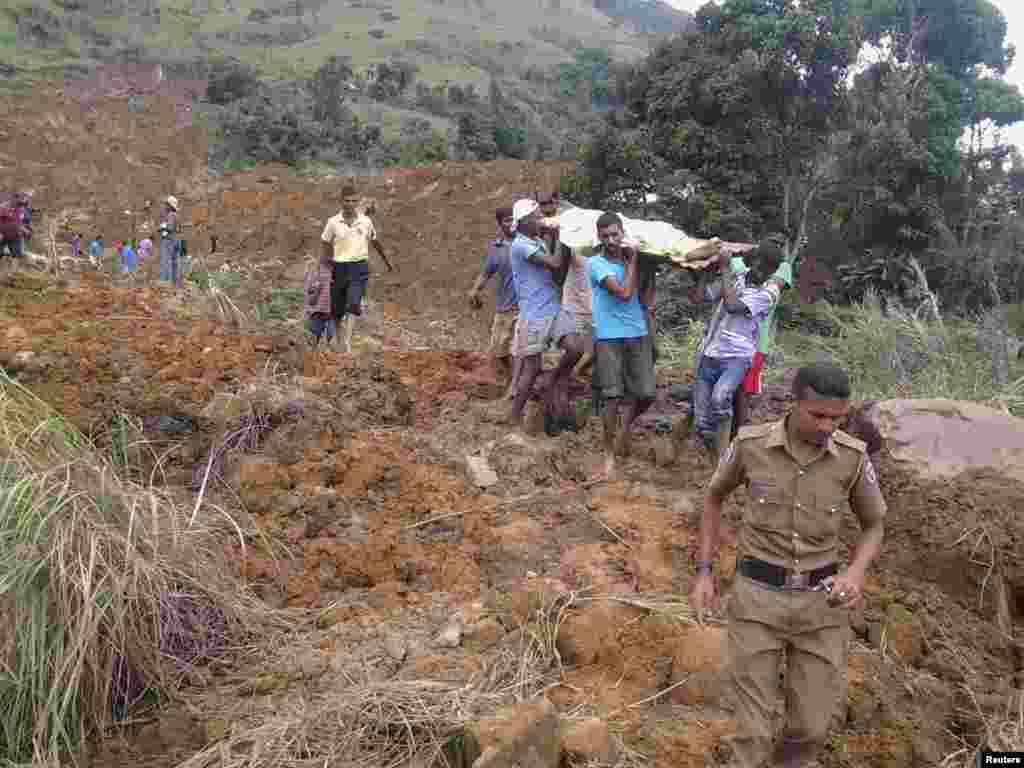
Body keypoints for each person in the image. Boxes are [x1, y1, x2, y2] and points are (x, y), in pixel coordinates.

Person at [690, 362, 886, 768]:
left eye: (837, 417)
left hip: (821, 609)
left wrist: (854, 573)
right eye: (818, 415)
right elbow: (713, 498)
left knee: (810, 730)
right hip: (757, 603)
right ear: (795, 404)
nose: (828, 426)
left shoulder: (852, 458)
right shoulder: (750, 445)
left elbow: (874, 525)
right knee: (753, 735)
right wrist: (705, 573)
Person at [688, 250, 791, 461]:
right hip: (710, 352)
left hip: (737, 357)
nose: (763, 273)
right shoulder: (736, 278)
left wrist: (725, 268)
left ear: (773, 272)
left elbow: (733, 306)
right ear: (752, 261)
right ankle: (719, 453)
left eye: (768, 270)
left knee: (720, 399)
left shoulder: (768, 293)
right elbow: (700, 298)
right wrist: (701, 274)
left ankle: (723, 459)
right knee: (701, 422)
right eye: (760, 266)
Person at [588, 212, 656, 479]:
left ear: (622, 233)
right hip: (609, 336)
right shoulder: (596, 264)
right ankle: (608, 453)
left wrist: (645, 273)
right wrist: (633, 261)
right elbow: (624, 292)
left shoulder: (634, 263)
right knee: (612, 396)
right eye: (605, 236)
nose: (611, 240)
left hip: (637, 332)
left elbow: (644, 296)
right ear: (599, 238)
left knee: (647, 394)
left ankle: (624, 428)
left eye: (615, 234)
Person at [506, 198, 583, 433]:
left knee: (576, 347)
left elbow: (558, 273)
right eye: (537, 217)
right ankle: (515, 416)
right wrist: (562, 234)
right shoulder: (520, 245)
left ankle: (554, 378)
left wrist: (560, 239)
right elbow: (555, 262)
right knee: (530, 370)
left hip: (552, 308)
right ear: (524, 222)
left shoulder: (536, 240)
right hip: (535, 315)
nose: (541, 220)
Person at [320, 183, 392, 354]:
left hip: (359, 267)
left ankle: (347, 342)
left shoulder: (366, 221)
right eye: (347, 200)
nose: (350, 204)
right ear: (341, 201)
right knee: (336, 310)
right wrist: (326, 266)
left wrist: (387, 261)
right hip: (338, 267)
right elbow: (325, 243)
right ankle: (339, 341)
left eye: (353, 201)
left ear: (357, 202)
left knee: (353, 304)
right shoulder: (333, 223)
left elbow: (375, 242)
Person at [468, 206, 519, 395]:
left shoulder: (526, 243)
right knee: (499, 350)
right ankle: (512, 378)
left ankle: (517, 386)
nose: (511, 224)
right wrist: (474, 290)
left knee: (518, 349)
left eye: (514, 219)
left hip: (523, 307)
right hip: (504, 307)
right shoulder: (496, 248)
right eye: (507, 220)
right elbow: (486, 273)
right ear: (499, 224)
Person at [305, 250, 337, 346]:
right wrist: (317, 288)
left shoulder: (336, 278)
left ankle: (327, 352)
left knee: (331, 335)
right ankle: (314, 353)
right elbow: (310, 295)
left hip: (332, 312)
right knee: (314, 335)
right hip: (317, 311)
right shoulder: (315, 276)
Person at [0, 194, 32, 259]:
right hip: (3, 234)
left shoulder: (21, 210)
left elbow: (19, 223)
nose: (21, 205)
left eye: (22, 204)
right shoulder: (3, 208)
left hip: (15, 235)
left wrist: (26, 231)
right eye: (19, 202)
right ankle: (4, 251)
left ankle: (8, 252)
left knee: (19, 254)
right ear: (12, 199)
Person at [159, 196, 180, 285]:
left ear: (170, 206)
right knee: (174, 262)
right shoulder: (176, 215)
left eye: (166, 204)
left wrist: (162, 228)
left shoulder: (171, 215)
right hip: (175, 240)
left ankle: (165, 282)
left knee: (166, 260)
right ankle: (174, 282)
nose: (164, 206)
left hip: (169, 240)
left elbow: (170, 228)